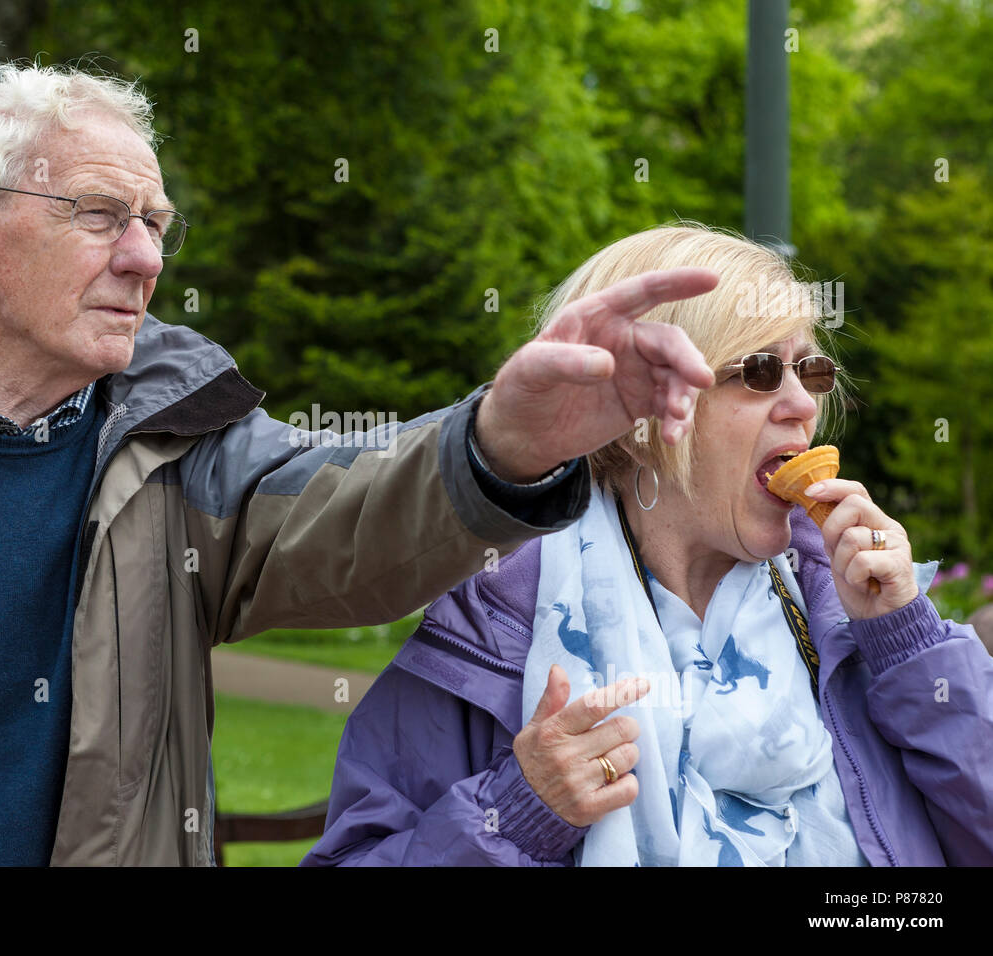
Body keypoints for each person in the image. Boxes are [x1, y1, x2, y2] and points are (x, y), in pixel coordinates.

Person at [0, 61, 721, 866]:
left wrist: (508, 433)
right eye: (99, 214)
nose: (144, 256)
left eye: (154, 224)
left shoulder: (185, 447)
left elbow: (353, 516)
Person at [304, 224, 993, 866]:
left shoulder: (855, 616)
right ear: (638, 412)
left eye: (810, 372)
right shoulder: (495, 617)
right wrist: (516, 815)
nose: (803, 405)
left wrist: (906, 643)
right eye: (757, 371)